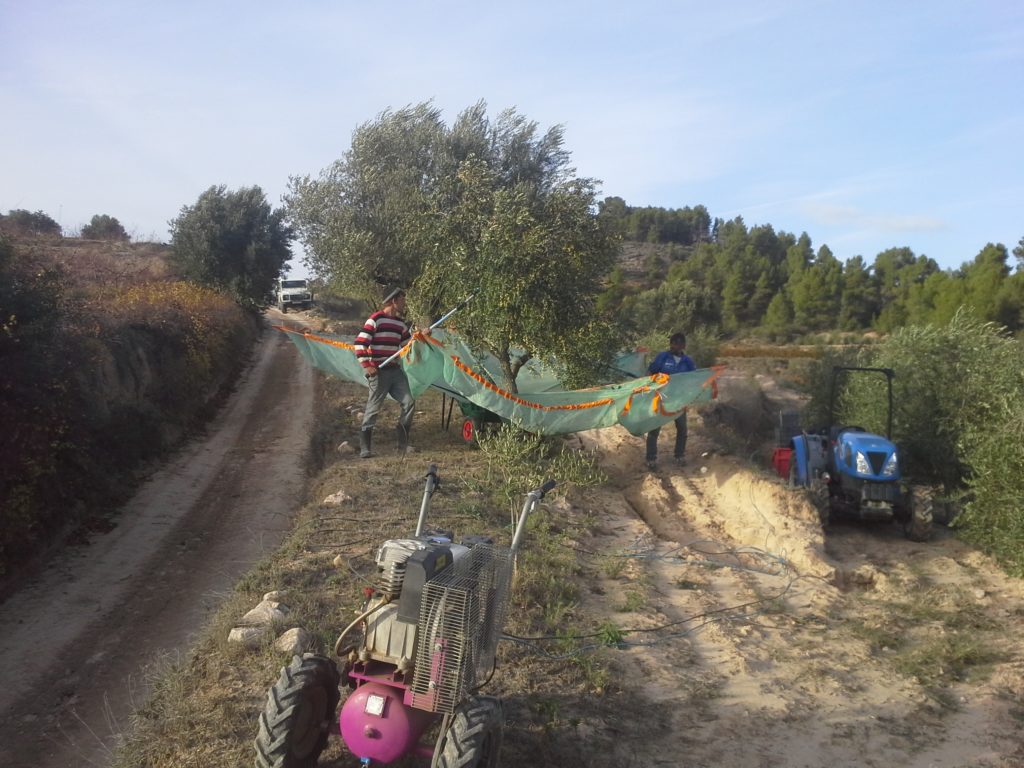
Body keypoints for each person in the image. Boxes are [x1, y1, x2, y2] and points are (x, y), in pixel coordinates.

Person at [354, 286, 415, 458]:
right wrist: (367, 365)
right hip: (378, 373)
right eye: (402, 300)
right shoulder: (376, 320)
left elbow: (408, 344)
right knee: (373, 409)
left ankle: (402, 444)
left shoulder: (400, 324)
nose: (404, 304)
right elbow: (359, 344)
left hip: (395, 371)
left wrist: (421, 336)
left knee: (409, 402)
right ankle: (365, 448)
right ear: (394, 301)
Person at [645, 332, 696, 470]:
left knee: (682, 428)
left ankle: (679, 455)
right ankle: (651, 458)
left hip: (679, 400)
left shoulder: (688, 361)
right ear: (671, 344)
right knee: (654, 429)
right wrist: (650, 388)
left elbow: (694, 378)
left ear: (684, 345)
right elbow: (651, 373)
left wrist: (690, 395)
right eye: (675, 343)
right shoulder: (663, 357)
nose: (678, 346)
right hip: (661, 398)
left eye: (681, 343)